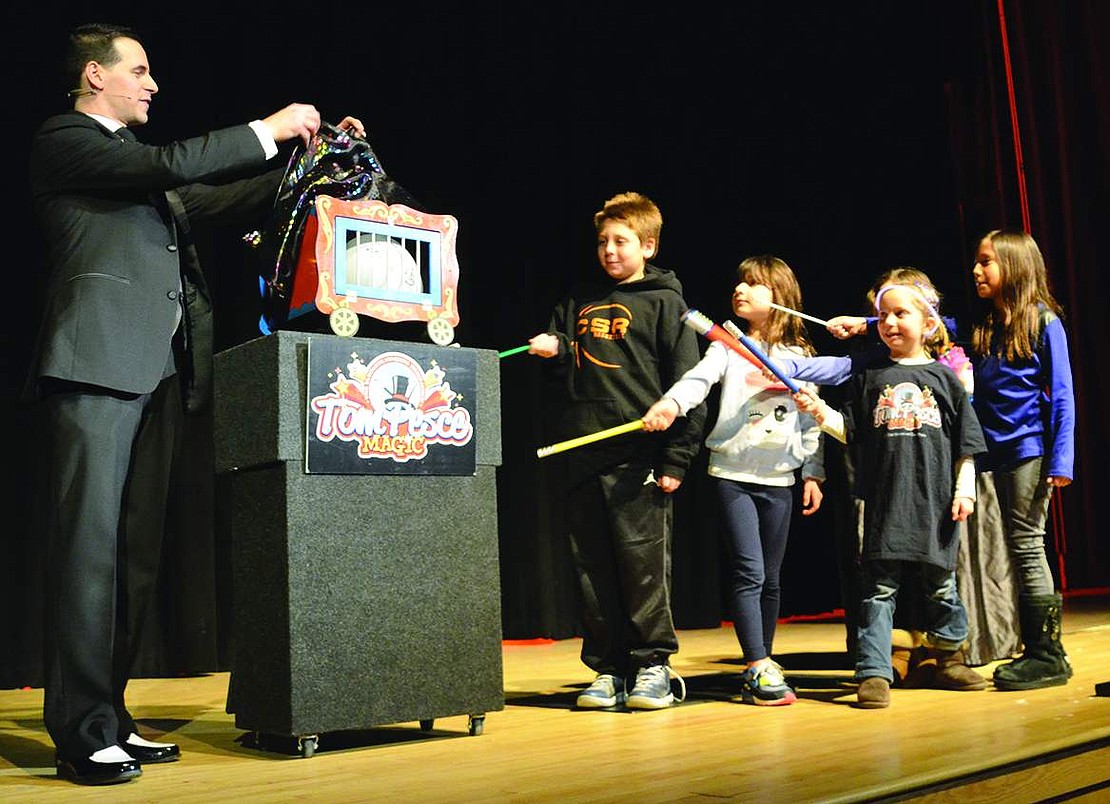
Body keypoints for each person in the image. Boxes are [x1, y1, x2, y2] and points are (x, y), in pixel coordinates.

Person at [26, 23, 365, 785]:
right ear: (93, 76)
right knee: (89, 554)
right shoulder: (66, 139)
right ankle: (79, 732)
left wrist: (309, 156)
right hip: (97, 365)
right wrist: (266, 125)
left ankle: (109, 715)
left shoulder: (138, 173)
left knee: (135, 560)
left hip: (161, 371)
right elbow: (172, 164)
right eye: (138, 71)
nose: (152, 84)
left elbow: (209, 193)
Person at [528, 191, 706, 710]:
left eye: (621, 241)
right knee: (593, 568)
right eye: (602, 241)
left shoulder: (667, 303)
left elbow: (689, 386)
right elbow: (568, 366)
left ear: (648, 246)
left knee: (642, 568)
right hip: (584, 451)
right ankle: (607, 669)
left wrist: (677, 459)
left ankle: (653, 666)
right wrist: (555, 350)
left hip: (640, 458)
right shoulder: (579, 298)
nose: (609, 250)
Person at [794, 270, 989, 708]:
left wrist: (965, 491)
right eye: (883, 315)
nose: (889, 322)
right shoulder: (869, 378)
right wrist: (818, 410)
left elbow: (967, 446)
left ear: (927, 323)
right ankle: (874, 671)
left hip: (936, 503)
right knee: (878, 590)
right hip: (886, 504)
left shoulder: (946, 380)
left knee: (942, 586)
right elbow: (850, 431)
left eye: (901, 313)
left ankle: (949, 657)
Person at [641, 256, 824, 706]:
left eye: (753, 284)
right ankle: (757, 663)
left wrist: (812, 471)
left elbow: (813, 423)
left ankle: (762, 664)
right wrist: (670, 404)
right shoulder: (727, 346)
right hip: (734, 475)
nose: (740, 290)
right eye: (739, 283)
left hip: (780, 479)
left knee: (773, 579)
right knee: (750, 571)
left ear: (780, 297)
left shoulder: (801, 358)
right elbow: (697, 381)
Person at [968, 230, 1075, 690]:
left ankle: (1047, 654)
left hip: (1028, 450)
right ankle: (1037, 648)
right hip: (992, 452)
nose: (976, 270)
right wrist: (867, 324)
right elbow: (927, 323)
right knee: (1015, 547)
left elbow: (1063, 396)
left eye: (987, 262)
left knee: (1028, 545)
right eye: (977, 261)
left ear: (1014, 266)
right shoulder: (983, 324)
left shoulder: (1044, 323)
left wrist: (1061, 461)